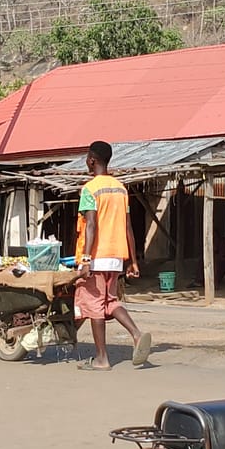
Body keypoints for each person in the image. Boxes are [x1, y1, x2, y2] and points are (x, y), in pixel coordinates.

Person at [73, 141, 152, 370]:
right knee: (110, 301)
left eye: (87, 158)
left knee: (95, 306)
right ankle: (136, 334)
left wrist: (86, 259)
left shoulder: (90, 189)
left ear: (91, 159)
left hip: (97, 256)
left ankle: (102, 359)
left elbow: (90, 225)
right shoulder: (120, 188)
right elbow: (129, 227)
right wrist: (133, 261)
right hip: (116, 257)